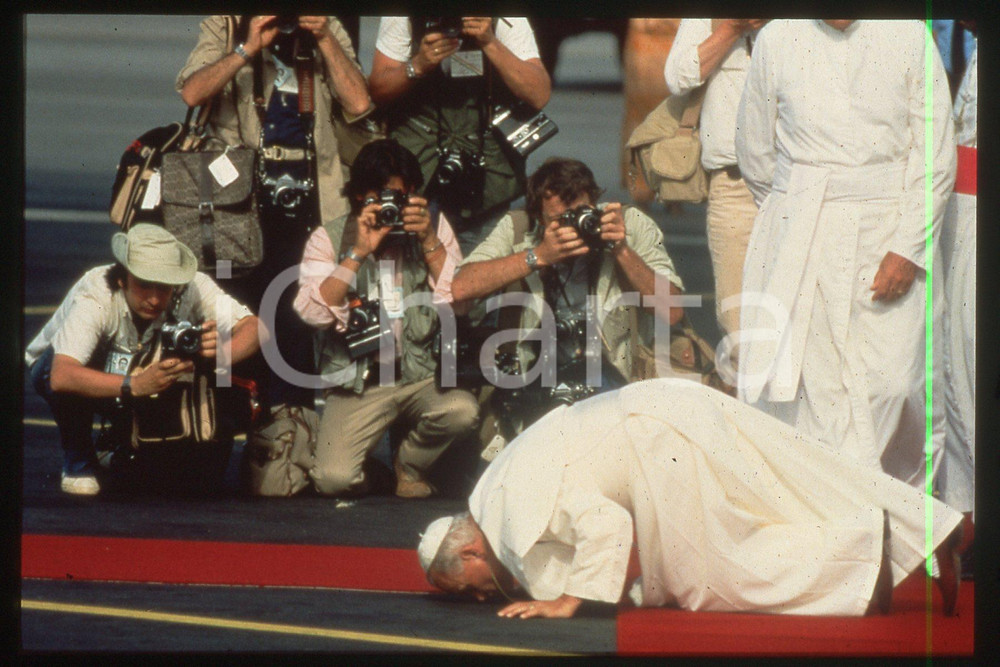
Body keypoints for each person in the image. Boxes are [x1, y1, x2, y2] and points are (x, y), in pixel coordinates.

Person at [418, 378, 965, 618]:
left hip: (655, 440)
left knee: (708, 577)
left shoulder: (507, 514)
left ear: (469, 554)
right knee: (798, 478)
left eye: (463, 589)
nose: (477, 598)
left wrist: (567, 602)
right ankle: (937, 525)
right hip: (665, 401)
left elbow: (604, 524)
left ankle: (863, 564)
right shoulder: (495, 487)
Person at [734, 20, 956, 489]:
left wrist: (907, 249)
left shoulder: (910, 35)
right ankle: (831, 531)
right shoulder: (777, 37)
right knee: (814, 391)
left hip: (890, 231)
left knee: (896, 384)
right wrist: (790, 221)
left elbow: (935, 157)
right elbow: (756, 153)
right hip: (803, 233)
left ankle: (898, 519)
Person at [176, 15, 372, 420]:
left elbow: (358, 103)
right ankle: (228, 423)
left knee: (297, 317)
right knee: (240, 313)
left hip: (312, 196)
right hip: (237, 204)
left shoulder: (324, 25)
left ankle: (289, 434)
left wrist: (322, 38)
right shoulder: (227, 22)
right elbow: (193, 92)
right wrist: (247, 46)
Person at [293, 139, 479, 498]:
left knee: (462, 411)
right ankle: (376, 475)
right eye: (382, 197)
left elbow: (462, 304)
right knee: (333, 480)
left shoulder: (433, 230)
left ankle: (409, 463)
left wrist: (428, 241)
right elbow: (312, 314)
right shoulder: (329, 237)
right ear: (360, 195)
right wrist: (357, 253)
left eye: (402, 197)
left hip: (421, 376)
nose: (392, 207)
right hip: (362, 382)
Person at [25, 224, 260, 495]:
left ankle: (124, 442)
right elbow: (61, 375)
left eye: (164, 287)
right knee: (55, 373)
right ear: (122, 278)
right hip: (72, 368)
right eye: (144, 285)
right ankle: (78, 459)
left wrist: (221, 354)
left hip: (145, 371)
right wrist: (134, 385)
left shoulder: (193, 285)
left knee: (161, 477)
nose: (154, 298)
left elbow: (254, 328)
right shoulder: (96, 294)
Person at [451, 158, 685, 426]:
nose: (573, 227)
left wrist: (621, 249)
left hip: (614, 381)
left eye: (581, 214)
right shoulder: (518, 227)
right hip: (533, 380)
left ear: (594, 202)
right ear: (538, 217)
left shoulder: (626, 223)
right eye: (560, 220)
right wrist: (538, 256)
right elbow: (461, 287)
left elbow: (673, 311)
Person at [369, 17, 551, 255]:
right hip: (417, 176)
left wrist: (489, 41)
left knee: (479, 272)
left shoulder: (503, 17)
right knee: (415, 275)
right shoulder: (404, 16)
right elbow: (378, 89)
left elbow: (538, 93)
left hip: (485, 181)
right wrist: (417, 65)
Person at [664, 19, 766, 362]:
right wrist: (732, 29)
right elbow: (677, 77)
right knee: (738, 325)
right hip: (734, 185)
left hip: (798, 185)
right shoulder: (708, 17)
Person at [939, 42, 976, 536]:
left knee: (967, 352)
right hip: (956, 205)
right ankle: (966, 514)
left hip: (974, 207)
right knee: (952, 360)